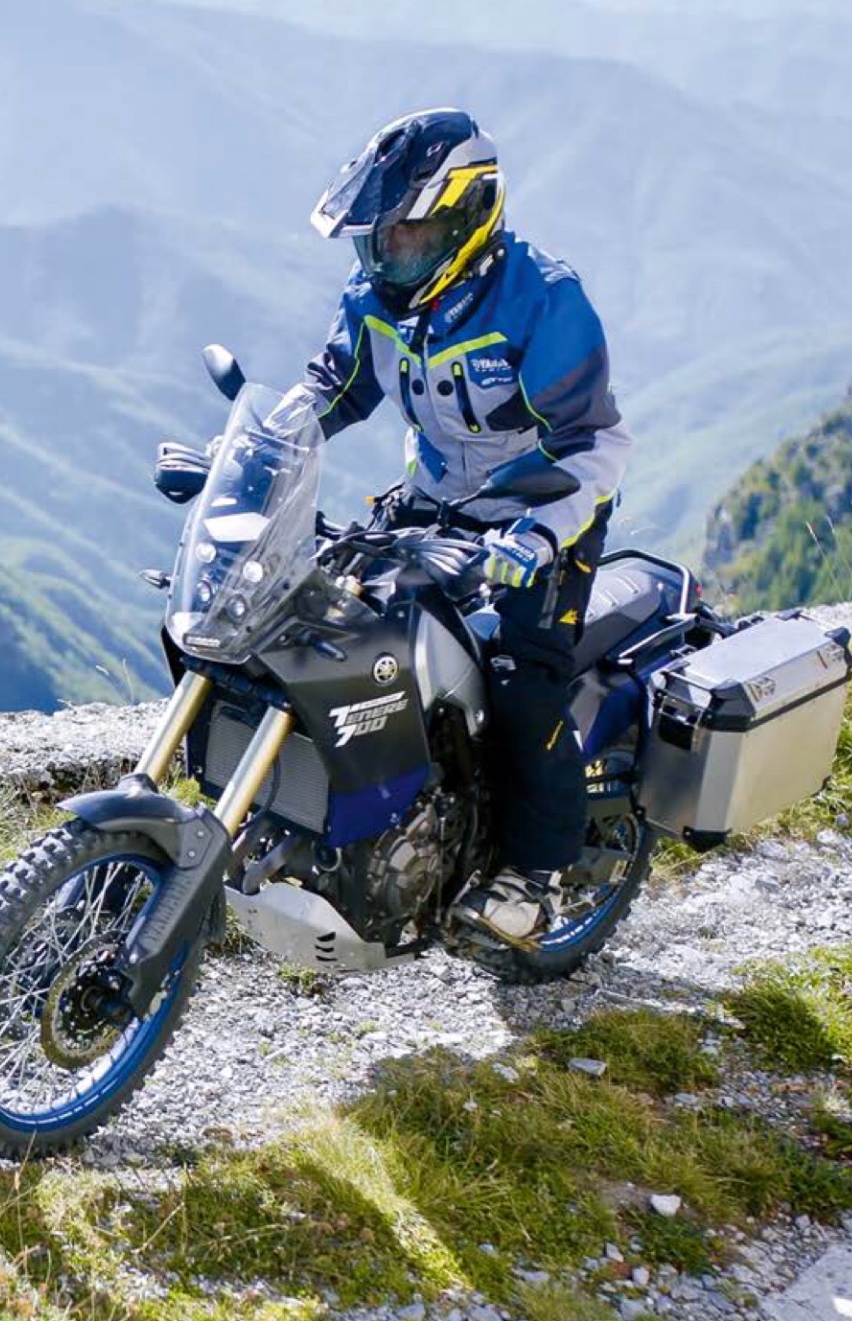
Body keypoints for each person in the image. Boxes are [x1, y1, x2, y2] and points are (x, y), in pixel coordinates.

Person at [155, 107, 631, 944]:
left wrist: (538, 536)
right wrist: (249, 453)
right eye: (376, 239)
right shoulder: (379, 296)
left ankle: (534, 876)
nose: (387, 255)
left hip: (541, 514)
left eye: (407, 236)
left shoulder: (543, 302)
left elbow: (595, 444)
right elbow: (333, 389)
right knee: (332, 622)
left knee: (522, 682)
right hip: (434, 505)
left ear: (467, 216)